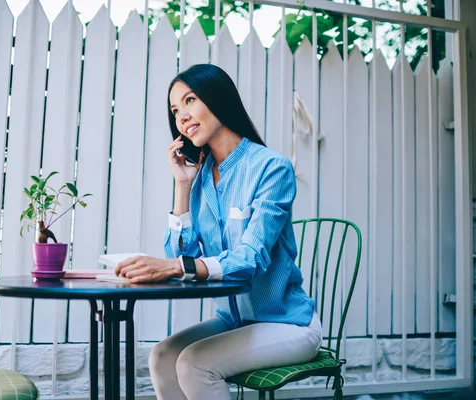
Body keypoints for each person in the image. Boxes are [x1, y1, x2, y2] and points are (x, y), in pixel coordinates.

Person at [115, 63, 322, 399]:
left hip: (288, 323)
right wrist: (183, 186)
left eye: (190, 100)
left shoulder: (272, 168)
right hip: (234, 320)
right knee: (163, 356)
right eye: (175, 109)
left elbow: (250, 258)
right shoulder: (201, 176)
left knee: (194, 363)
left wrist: (176, 266)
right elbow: (184, 261)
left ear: (219, 98)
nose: (181, 115)